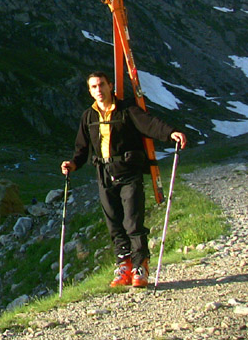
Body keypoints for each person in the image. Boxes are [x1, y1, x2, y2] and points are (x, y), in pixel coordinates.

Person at [60, 71, 188, 288]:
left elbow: (149, 124)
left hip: (128, 171)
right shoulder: (88, 116)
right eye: (93, 87)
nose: (98, 90)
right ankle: (123, 266)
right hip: (103, 172)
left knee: (132, 220)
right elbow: (82, 149)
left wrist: (170, 133)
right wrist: (72, 164)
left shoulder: (127, 109)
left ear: (110, 86)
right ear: (90, 91)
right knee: (114, 223)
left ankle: (140, 266)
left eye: (101, 85)